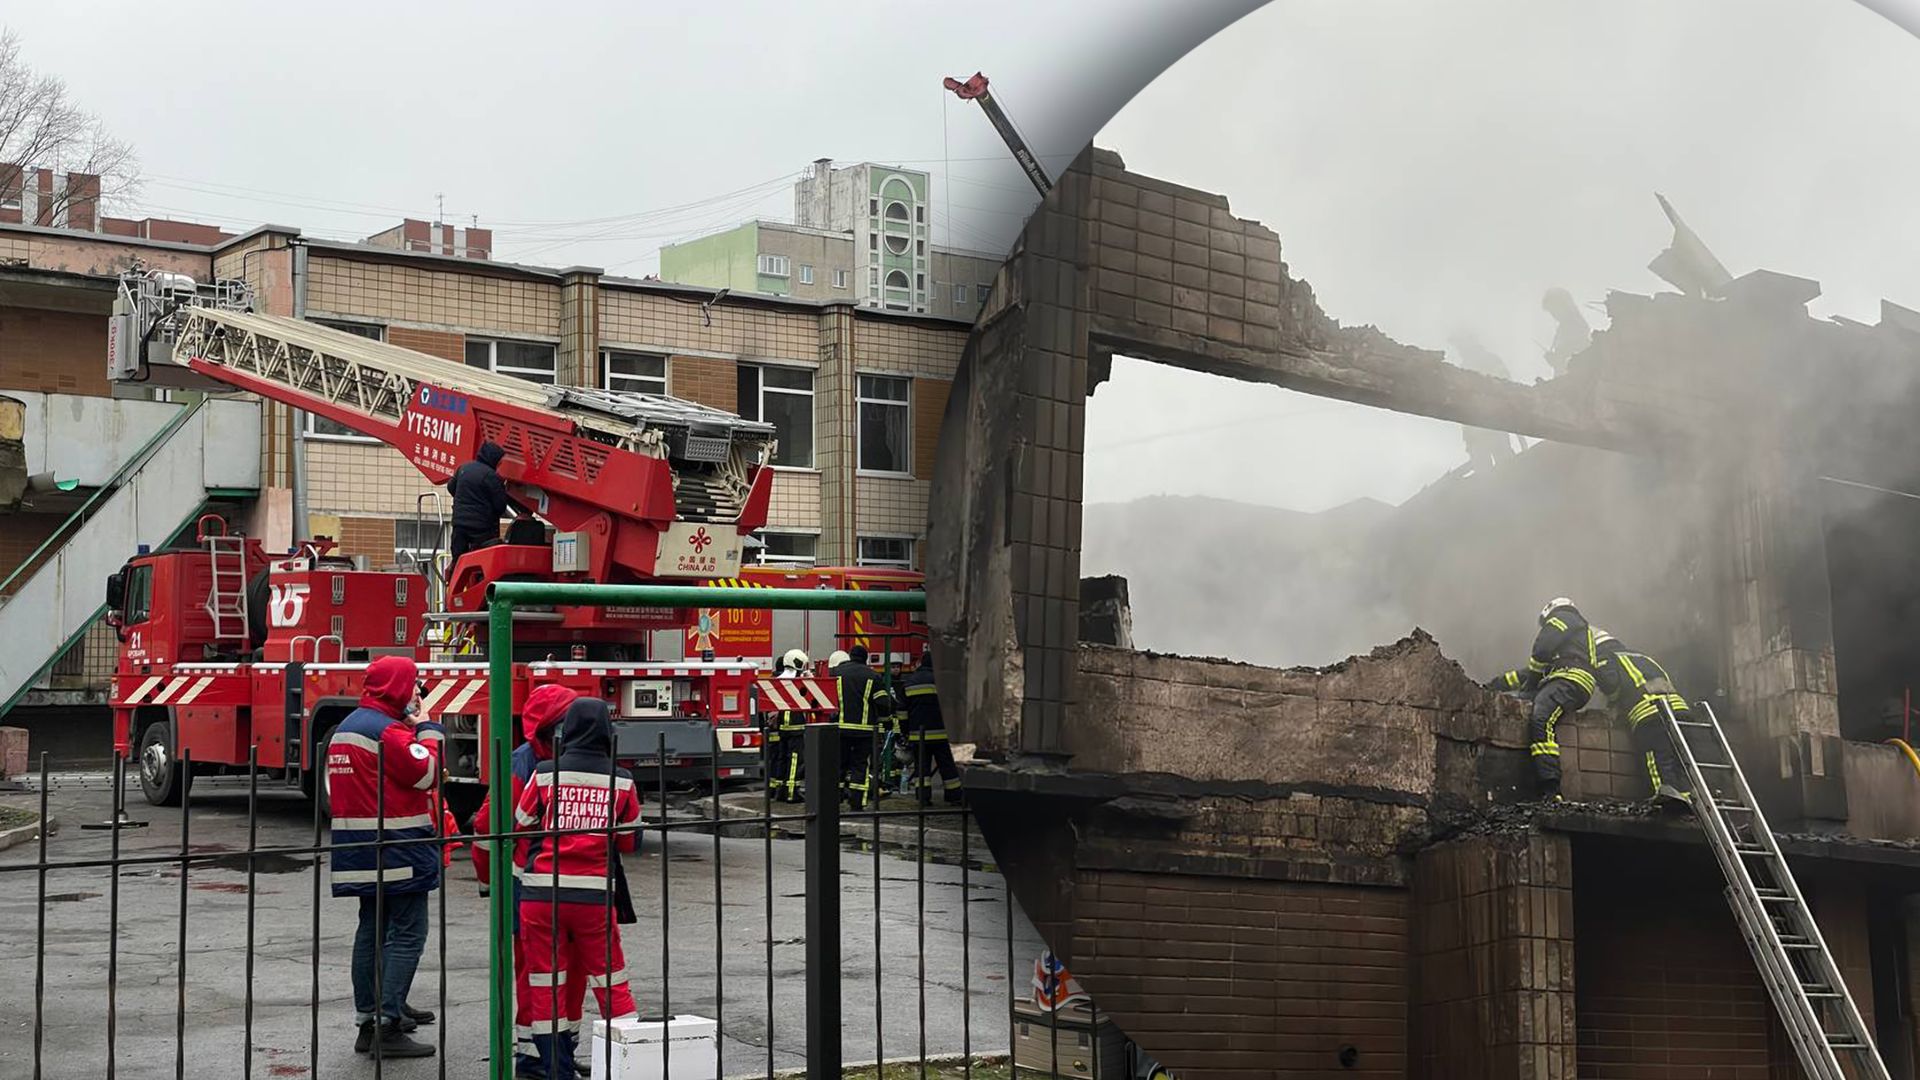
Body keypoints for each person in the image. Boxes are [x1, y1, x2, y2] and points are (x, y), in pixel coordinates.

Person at [513, 697, 642, 1079]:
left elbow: (521, 822)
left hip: (541, 896)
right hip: (592, 898)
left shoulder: (546, 772)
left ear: (566, 730)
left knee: (545, 984)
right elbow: (630, 842)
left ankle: (556, 1070)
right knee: (611, 981)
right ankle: (629, 1065)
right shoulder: (621, 779)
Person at [326, 655, 444, 1059]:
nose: (417, 693)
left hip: (359, 847)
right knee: (408, 933)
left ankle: (371, 1016)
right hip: (398, 847)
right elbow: (429, 772)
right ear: (395, 687)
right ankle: (387, 1023)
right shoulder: (388, 732)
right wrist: (428, 728)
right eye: (413, 685)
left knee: (372, 931)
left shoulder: (348, 727)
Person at [471, 683, 578, 1076]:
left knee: (547, 975)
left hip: (535, 889)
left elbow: (486, 830)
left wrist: (490, 883)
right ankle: (545, 1059)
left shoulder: (529, 762)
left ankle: (547, 1058)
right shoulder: (543, 763)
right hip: (552, 888)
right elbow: (485, 829)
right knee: (553, 975)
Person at [1486, 598, 1613, 802]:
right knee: (1524, 700)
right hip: (1565, 677)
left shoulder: (1563, 617)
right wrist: (1496, 685)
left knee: (1541, 719)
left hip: (1569, 678)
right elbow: (1532, 672)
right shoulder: (1569, 643)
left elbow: (1541, 650)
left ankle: (1551, 789)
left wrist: (1534, 680)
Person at [1594, 644, 1695, 805]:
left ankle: (1665, 802)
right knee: (1681, 762)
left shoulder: (1607, 658)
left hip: (1651, 714)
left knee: (1657, 761)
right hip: (1680, 711)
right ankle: (1689, 803)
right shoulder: (1644, 658)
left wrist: (1613, 704)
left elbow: (1610, 684)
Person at [896, 647, 963, 806]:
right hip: (942, 733)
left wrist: (906, 731)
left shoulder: (909, 682)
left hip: (918, 734)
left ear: (920, 664)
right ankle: (954, 796)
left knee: (922, 768)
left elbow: (902, 712)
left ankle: (924, 798)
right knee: (947, 766)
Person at [831, 645, 894, 810]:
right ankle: (856, 803)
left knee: (839, 765)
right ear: (865, 659)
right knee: (860, 766)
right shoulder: (872, 676)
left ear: (850, 656)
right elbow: (882, 703)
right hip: (864, 731)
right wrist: (887, 720)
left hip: (840, 728)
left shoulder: (836, 673)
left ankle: (834, 802)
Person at [448, 440, 532, 563]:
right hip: (481, 528)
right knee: (481, 560)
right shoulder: (491, 476)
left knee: (458, 559)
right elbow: (500, 506)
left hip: (459, 525)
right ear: (493, 459)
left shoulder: (463, 468)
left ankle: (453, 575)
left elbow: (451, 488)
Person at [765, 649, 810, 803]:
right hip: (795, 726)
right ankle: (792, 792)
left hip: (783, 726)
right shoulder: (796, 680)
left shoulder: (779, 679)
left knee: (782, 758)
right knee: (796, 759)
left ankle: (781, 791)